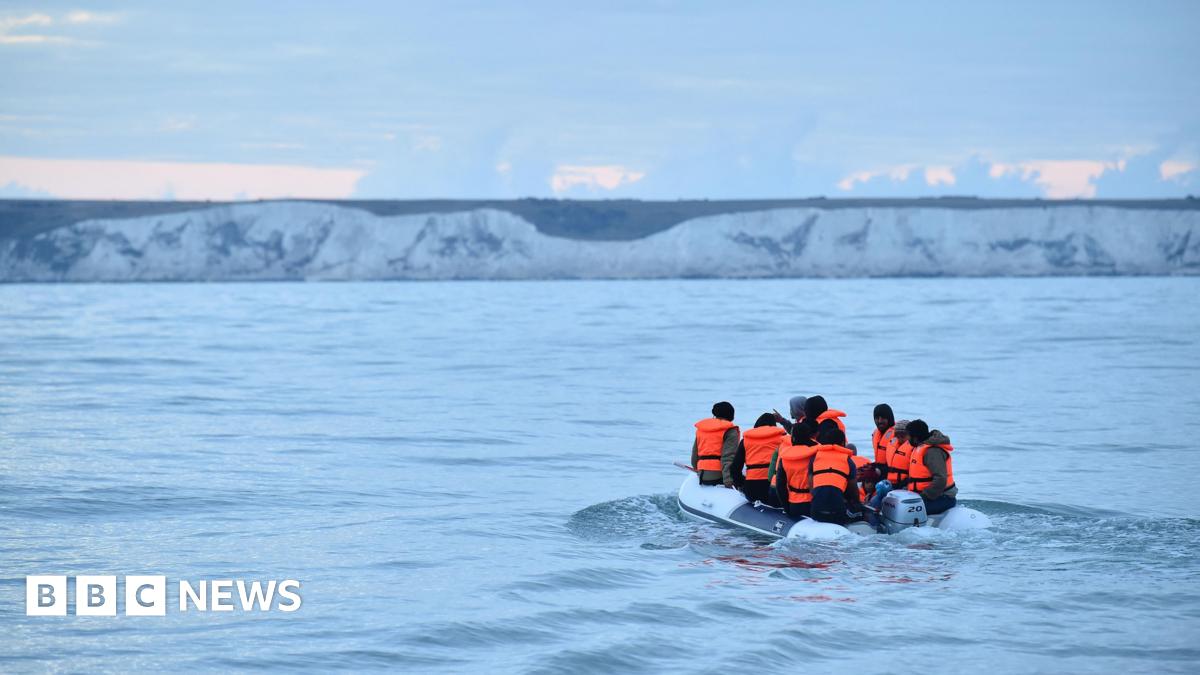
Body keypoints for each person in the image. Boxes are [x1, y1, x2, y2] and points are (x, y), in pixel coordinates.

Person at [806, 422, 863, 525]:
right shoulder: (848, 461)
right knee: (858, 511)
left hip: (816, 511)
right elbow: (853, 491)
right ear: (842, 443)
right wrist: (857, 504)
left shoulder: (815, 458)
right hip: (836, 512)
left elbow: (811, 487)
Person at [905, 419, 958, 514]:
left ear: (915, 437)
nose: (907, 438)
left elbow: (941, 479)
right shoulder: (919, 448)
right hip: (928, 496)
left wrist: (923, 497)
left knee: (906, 510)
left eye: (908, 435)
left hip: (942, 497)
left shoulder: (932, 452)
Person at [740, 413, 788, 505]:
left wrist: (742, 484)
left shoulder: (745, 440)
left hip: (752, 489)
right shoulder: (783, 439)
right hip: (774, 490)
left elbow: (735, 468)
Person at [691, 402, 741, 487]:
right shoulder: (730, 431)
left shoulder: (701, 429)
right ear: (731, 415)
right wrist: (728, 481)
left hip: (702, 474)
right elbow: (728, 457)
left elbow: (694, 455)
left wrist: (698, 470)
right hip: (719, 476)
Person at [774, 432, 818, 519]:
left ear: (793, 439)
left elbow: (780, 486)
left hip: (794, 505)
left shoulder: (784, 458)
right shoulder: (816, 455)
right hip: (814, 504)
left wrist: (786, 507)